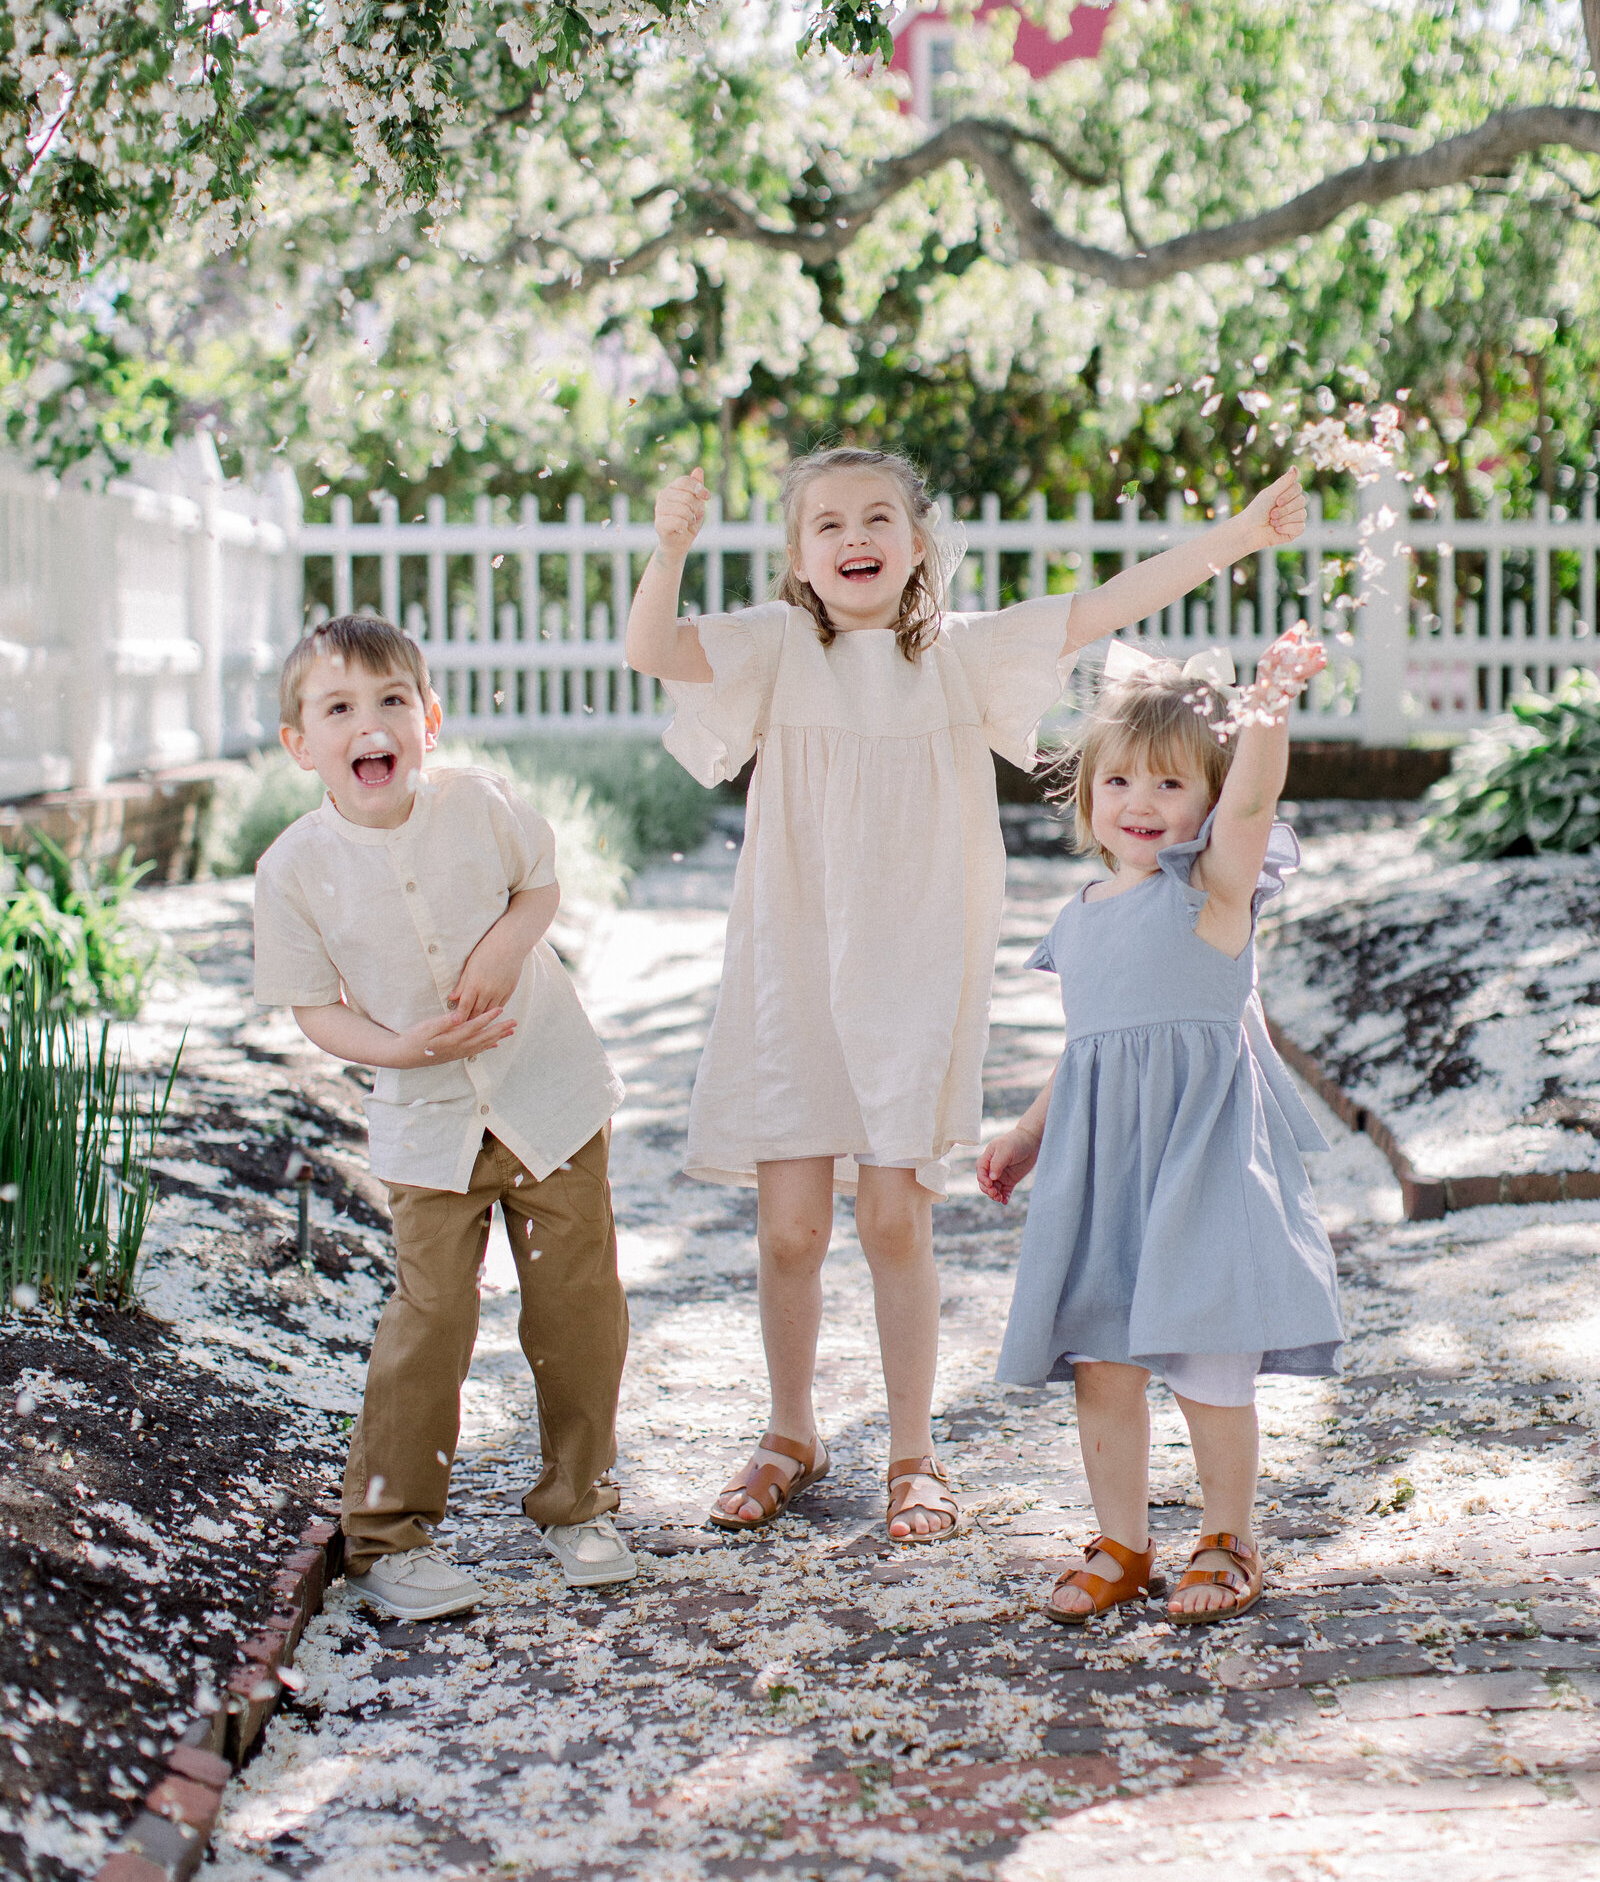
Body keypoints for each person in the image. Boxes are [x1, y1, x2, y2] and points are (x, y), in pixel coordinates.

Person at [625, 446, 1310, 1544]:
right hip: (789, 964)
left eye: (880, 517)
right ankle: (789, 1430)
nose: (856, 538)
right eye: (829, 524)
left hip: (912, 967)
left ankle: (913, 1450)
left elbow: (1102, 607)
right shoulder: (774, 647)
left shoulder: (960, 658)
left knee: (896, 1216)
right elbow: (651, 646)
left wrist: (1238, 533)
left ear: (918, 541)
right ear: (799, 557)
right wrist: (669, 546)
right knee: (791, 1229)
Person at [252, 614, 632, 1619]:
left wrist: (508, 944)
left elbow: (538, 888)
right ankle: (387, 1534)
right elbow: (314, 1006)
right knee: (431, 1317)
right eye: (338, 708)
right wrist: (398, 1048)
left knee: (576, 1304)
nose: (368, 724)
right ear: (301, 743)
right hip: (427, 1122)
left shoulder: (480, 805)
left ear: (428, 719)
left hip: (546, 1093)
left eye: (390, 703)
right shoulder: (294, 869)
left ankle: (577, 1502)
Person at [979, 627, 1345, 1626]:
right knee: (1102, 1363)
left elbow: (1257, 800)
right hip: (1102, 1165)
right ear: (1086, 795)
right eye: (1119, 784)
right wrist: (1026, 1131)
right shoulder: (1084, 913)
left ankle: (1227, 1534)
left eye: (1170, 786)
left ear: (1209, 805)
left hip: (1198, 1157)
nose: (1139, 805)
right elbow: (1093, 1046)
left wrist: (1265, 710)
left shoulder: (1211, 894)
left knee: (1207, 1361)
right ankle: (1122, 1539)